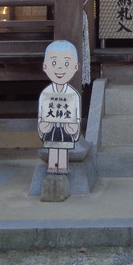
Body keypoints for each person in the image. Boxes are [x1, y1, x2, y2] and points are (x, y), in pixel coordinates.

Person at [37, 40, 81, 174]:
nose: (60, 68)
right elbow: (41, 114)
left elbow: (76, 115)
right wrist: (42, 125)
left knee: (62, 149)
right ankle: (52, 166)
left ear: (75, 67)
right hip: (51, 129)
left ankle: (62, 166)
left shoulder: (73, 94)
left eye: (66, 64)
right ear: (45, 66)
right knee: (52, 148)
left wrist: (75, 127)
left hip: (66, 130)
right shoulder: (46, 94)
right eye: (54, 63)